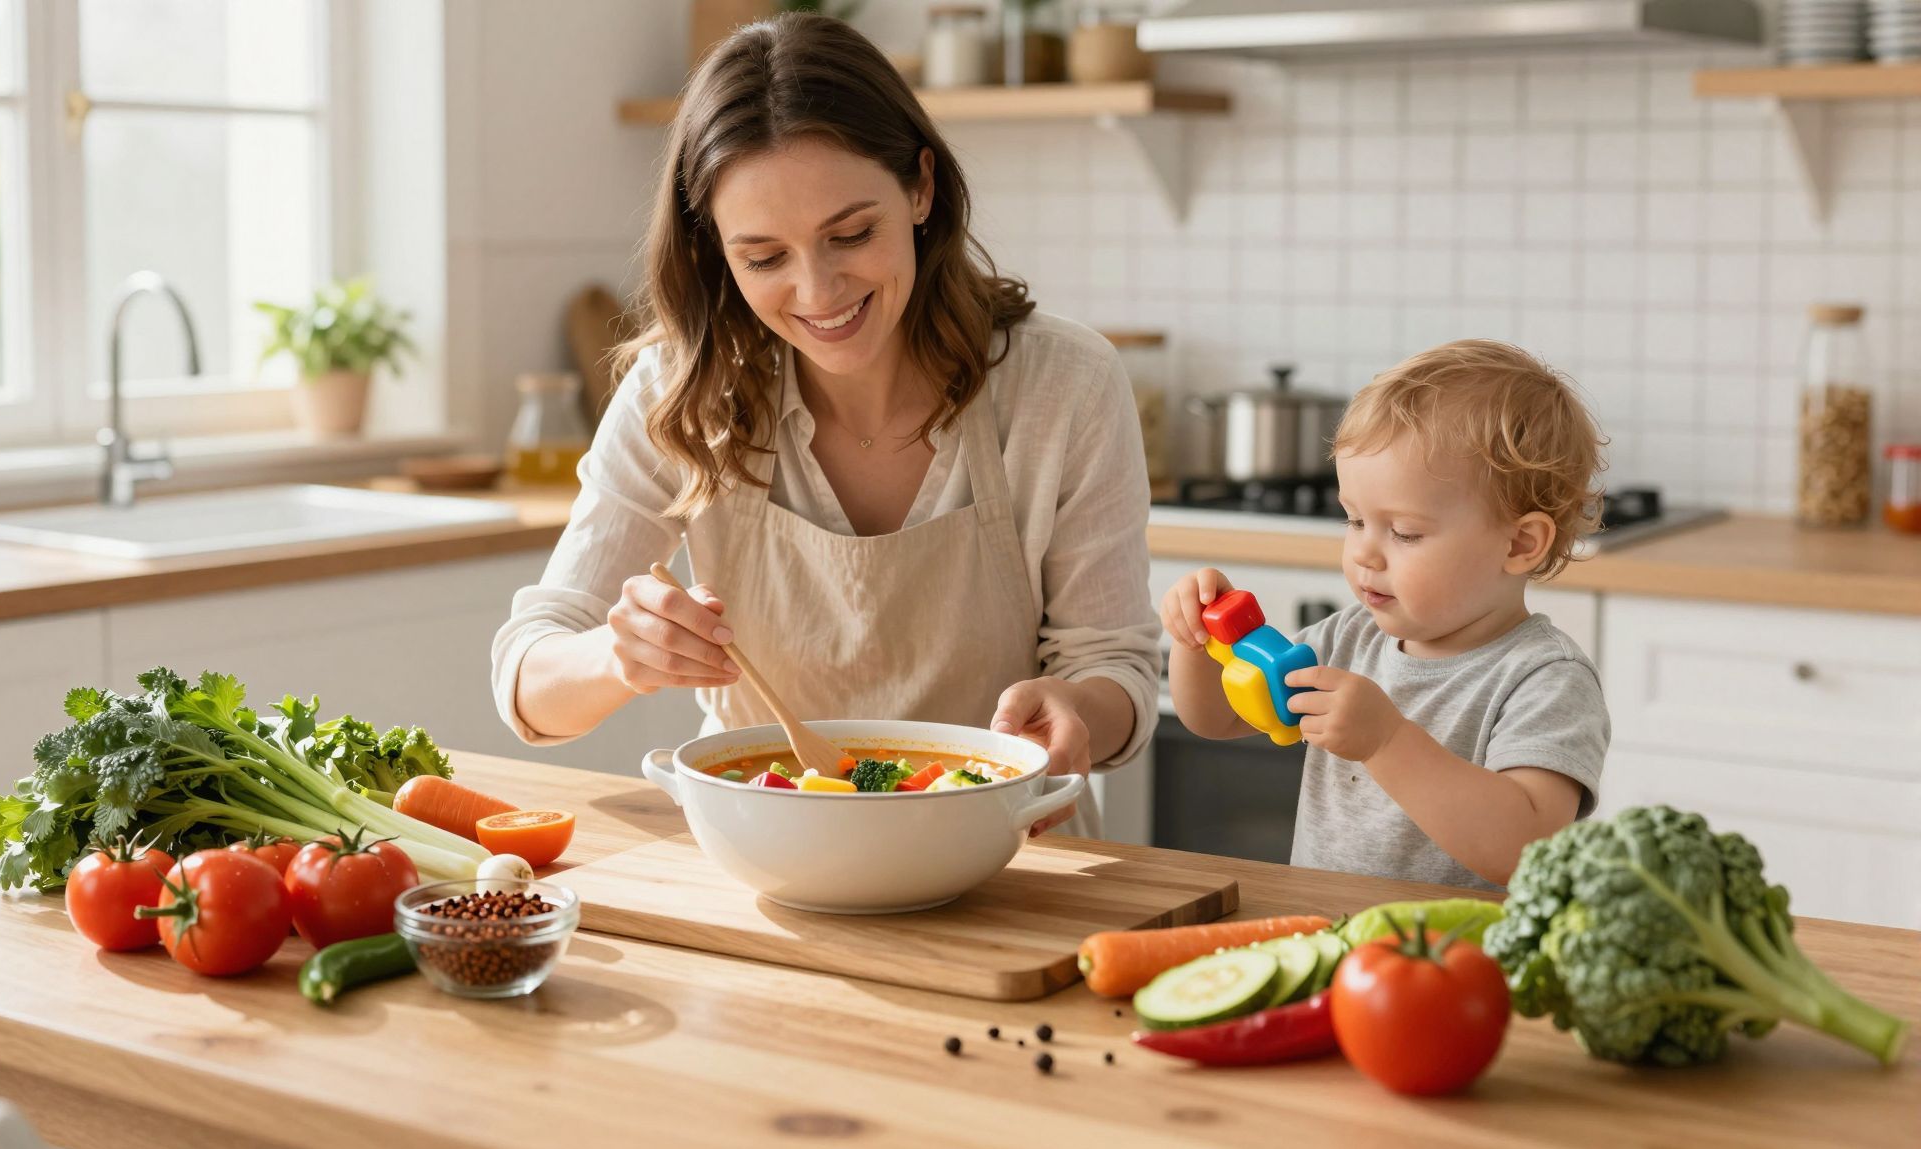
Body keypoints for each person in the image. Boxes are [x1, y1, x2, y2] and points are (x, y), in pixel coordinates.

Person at [492, 13, 1159, 836]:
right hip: (761, 856)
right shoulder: (682, 392)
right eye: (764, 258)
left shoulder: (1065, 385)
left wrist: (1080, 709)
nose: (818, 291)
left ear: (920, 188)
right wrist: (616, 657)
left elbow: (1117, 669)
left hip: (1007, 862)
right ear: (715, 252)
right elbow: (528, 681)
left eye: (851, 234)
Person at [1160, 340, 1612, 887]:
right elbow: (1217, 719)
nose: (1364, 554)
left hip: (1457, 962)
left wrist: (1389, 742)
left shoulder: (1544, 679)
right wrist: (1199, 643)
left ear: (1519, 544)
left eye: (1404, 532)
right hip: (1326, 937)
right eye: (1354, 521)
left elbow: (1525, 851)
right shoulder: (1351, 635)